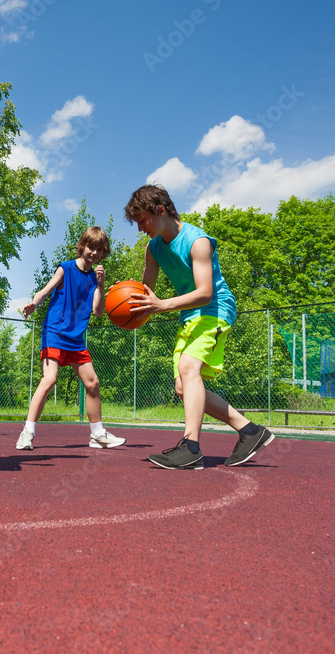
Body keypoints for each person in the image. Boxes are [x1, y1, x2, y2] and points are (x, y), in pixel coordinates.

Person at [123, 185, 273, 469]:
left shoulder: (197, 241)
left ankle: (191, 448)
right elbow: (145, 292)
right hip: (189, 316)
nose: (140, 228)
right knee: (183, 387)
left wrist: (161, 305)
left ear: (161, 210)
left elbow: (205, 292)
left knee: (189, 368)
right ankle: (251, 431)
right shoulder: (153, 248)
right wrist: (125, 308)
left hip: (215, 309)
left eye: (143, 220)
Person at [16, 226, 126, 452]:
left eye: (99, 250)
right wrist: (34, 304)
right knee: (49, 380)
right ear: (82, 246)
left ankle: (97, 435)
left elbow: (97, 311)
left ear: (103, 253)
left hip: (75, 338)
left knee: (93, 383)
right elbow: (46, 290)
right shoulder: (65, 268)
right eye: (91, 247)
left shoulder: (95, 279)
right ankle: (27, 433)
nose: (94, 252)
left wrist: (102, 284)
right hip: (55, 332)